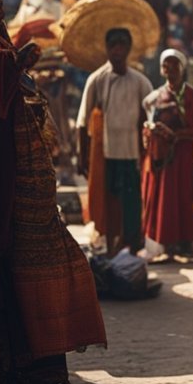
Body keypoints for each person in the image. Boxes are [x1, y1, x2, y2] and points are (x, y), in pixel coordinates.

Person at [0, 0, 106, 384]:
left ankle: (34, 372)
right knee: (5, 270)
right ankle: (27, 373)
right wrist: (13, 65)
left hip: (17, 171)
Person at [77, 27, 153, 255]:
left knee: (132, 202)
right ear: (107, 49)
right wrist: (82, 157)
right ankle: (110, 244)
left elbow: (152, 115)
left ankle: (131, 245)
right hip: (105, 154)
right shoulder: (97, 79)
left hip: (131, 153)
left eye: (122, 45)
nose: (118, 50)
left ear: (129, 49)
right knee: (107, 202)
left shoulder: (140, 81)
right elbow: (82, 121)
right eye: (113, 45)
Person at [141, 49, 193, 262]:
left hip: (185, 155)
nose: (170, 70)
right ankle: (167, 246)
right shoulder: (156, 97)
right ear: (162, 70)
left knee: (184, 197)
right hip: (165, 158)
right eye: (166, 66)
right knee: (166, 200)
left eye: (174, 65)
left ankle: (186, 245)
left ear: (183, 68)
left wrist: (180, 134)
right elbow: (146, 125)